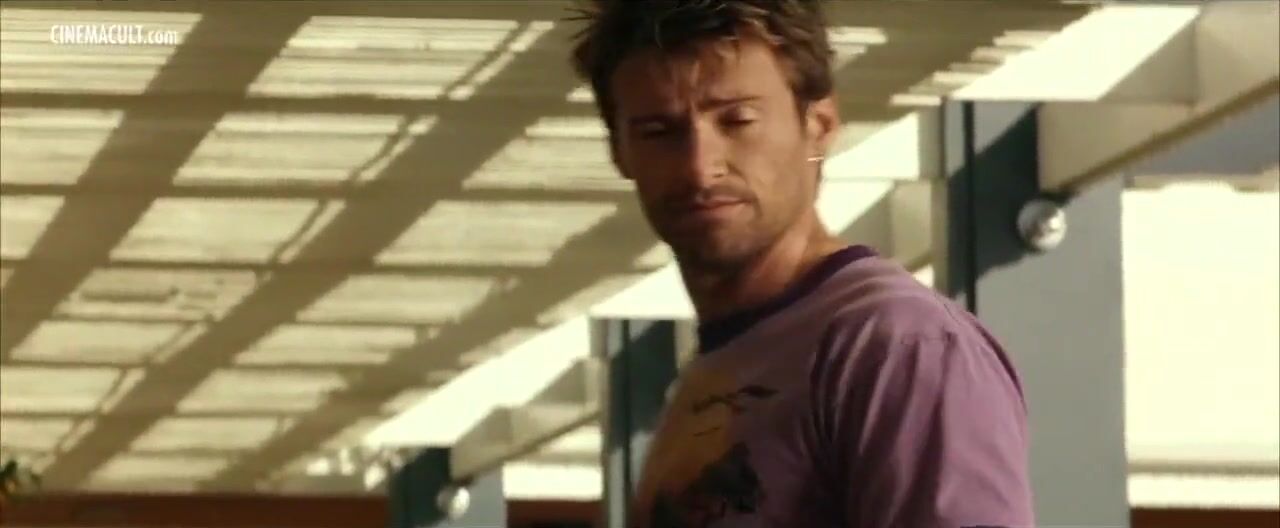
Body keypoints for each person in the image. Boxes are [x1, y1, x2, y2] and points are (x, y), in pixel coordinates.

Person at [570, 1, 1035, 526]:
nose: (700, 167)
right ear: (619, 152)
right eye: (658, 131)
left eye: (738, 120)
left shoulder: (896, 346)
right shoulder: (720, 366)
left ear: (819, 124)